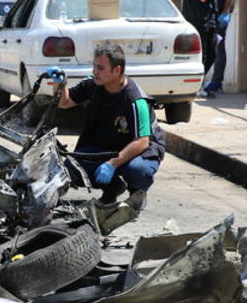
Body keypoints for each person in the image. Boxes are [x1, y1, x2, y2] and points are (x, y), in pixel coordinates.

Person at [55, 44, 165, 204]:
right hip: (106, 145)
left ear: (117, 70)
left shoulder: (136, 100)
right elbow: (64, 102)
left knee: (138, 170)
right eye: (94, 66)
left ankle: (137, 195)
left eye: (100, 68)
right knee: (71, 169)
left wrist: (112, 164)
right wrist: (59, 84)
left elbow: (142, 142)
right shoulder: (93, 85)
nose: (94, 72)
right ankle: (113, 188)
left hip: (139, 150)